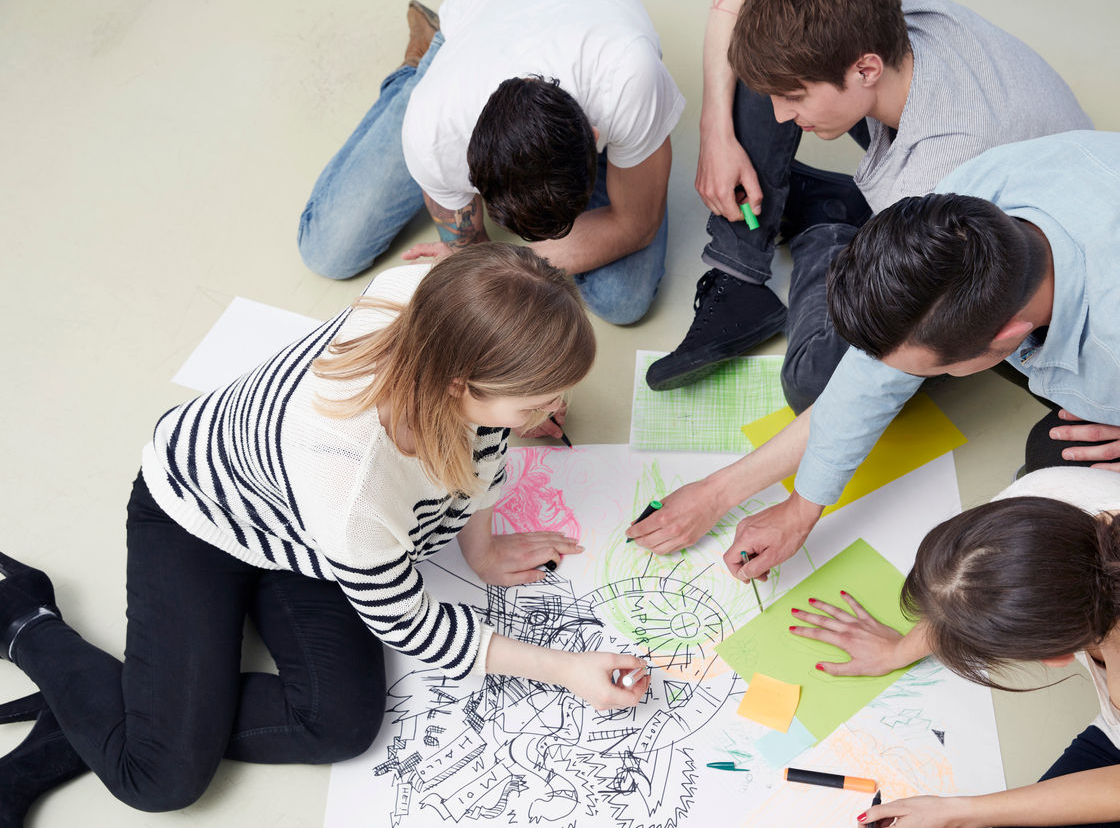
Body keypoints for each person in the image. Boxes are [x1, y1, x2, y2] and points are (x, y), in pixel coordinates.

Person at [0, 245, 649, 823]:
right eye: (533, 401)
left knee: (339, 724)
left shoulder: (435, 296)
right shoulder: (356, 480)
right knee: (160, 777)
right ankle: (25, 620)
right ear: (457, 383)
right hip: (199, 511)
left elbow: (482, 431)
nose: (551, 415)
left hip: (300, 536)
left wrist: (480, 547)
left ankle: (122, 707)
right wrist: (566, 669)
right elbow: (411, 625)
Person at [628, 131, 1120, 577]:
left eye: (924, 368)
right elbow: (873, 371)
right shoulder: (974, 200)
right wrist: (782, 503)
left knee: (1057, 472)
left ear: (1005, 338)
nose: (889, 379)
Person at [646, 0, 1089, 409]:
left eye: (795, 98)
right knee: (765, 45)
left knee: (813, 385)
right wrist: (715, 129)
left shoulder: (939, 180)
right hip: (953, 137)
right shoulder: (869, 4)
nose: (780, 114)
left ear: (866, 69)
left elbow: (915, 333)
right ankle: (738, 273)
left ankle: (830, 225)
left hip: (982, 246)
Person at [793, 467, 1120, 826]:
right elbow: (975, 580)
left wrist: (957, 813)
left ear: (1054, 655)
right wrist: (899, 649)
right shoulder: (1051, 499)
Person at [297, 0, 685, 326]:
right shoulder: (434, 128)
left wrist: (503, 265)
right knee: (327, 251)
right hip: (476, 25)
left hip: (589, 8)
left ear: (595, 135)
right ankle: (415, 71)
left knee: (624, 301)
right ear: (474, 169)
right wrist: (486, 257)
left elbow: (637, 225)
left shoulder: (631, 78)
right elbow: (469, 247)